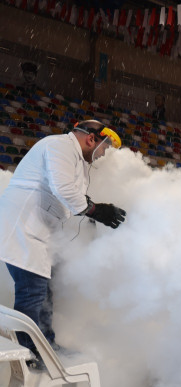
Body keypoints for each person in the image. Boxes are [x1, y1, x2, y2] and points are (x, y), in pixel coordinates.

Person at [0, 120, 126, 367]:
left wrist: (91, 212)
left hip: (39, 233)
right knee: (32, 295)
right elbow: (64, 190)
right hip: (24, 231)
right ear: (91, 138)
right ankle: (29, 356)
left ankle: (45, 344)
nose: (103, 155)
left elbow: (71, 195)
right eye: (103, 148)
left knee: (45, 292)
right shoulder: (59, 146)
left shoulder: (75, 157)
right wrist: (96, 210)